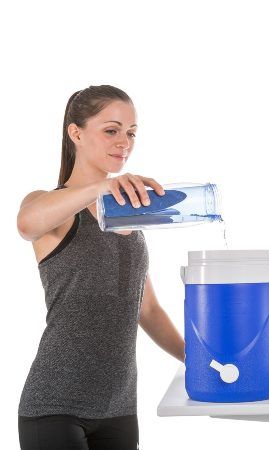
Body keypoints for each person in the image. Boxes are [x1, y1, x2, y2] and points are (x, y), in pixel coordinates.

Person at [16, 84, 186, 450]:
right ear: (75, 133)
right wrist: (101, 187)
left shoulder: (129, 219)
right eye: (111, 130)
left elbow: (147, 309)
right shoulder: (50, 205)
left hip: (119, 409)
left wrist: (198, 359)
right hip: (55, 406)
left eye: (131, 133)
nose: (124, 142)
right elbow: (27, 224)